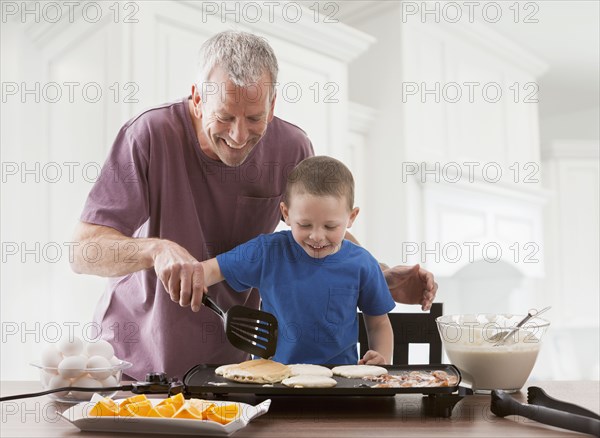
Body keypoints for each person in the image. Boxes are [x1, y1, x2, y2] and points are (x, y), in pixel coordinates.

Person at [71, 30, 437, 380]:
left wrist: (379, 276)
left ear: (272, 105)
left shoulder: (291, 148)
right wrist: (156, 249)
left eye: (254, 118)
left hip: (232, 364)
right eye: (226, 117)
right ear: (198, 99)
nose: (238, 135)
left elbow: (314, 229)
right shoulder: (148, 135)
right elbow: (83, 252)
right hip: (135, 360)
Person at [194, 156, 395, 365]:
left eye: (330, 227)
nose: (317, 236)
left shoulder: (363, 264)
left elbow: (378, 323)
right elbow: (211, 270)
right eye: (305, 225)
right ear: (286, 214)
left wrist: (382, 359)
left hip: (340, 383)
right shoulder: (267, 252)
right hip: (274, 382)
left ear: (351, 217)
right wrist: (190, 277)